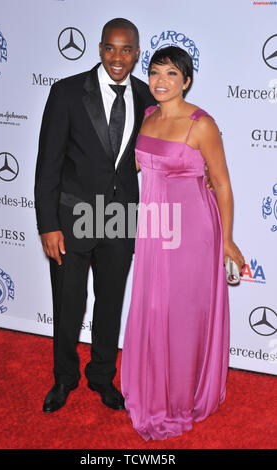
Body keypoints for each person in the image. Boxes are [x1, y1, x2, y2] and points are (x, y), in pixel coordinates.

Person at [121, 46, 245, 440]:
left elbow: (222, 182)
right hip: (155, 224)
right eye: (155, 72)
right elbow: (140, 165)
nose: (160, 81)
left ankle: (180, 397)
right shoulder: (146, 116)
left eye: (171, 74)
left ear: (187, 80)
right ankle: (154, 387)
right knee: (155, 305)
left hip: (192, 229)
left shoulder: (202, 124)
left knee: (183, 312)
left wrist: (228, 240)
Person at [34, 18, 156, 413]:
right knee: (68, 304)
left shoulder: (146, 96)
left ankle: (102, 376)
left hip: (120, 220)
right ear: (99, 49)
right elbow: (48, 164)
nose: (117, 57)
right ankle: (64, 378)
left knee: (110, 303)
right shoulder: (67, 92)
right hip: (71, 220)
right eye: (110, 48)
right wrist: (48, 224)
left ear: (137, 53)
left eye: (126, 50)